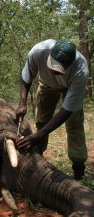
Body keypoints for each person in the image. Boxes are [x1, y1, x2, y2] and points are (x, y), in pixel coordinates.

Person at [16, 39, 88, 180]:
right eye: (53, 65)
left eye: (59, 68)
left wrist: (38, 135)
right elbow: (26, 77)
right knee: (42, 121)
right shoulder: (38, 51)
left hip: (70, 88)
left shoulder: (81, 70)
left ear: (71, 64)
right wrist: (22, 103)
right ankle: (38, 159)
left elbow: (67, 109)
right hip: (46, 85)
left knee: (74, 124)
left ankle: (78, 168)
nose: (54, 70)